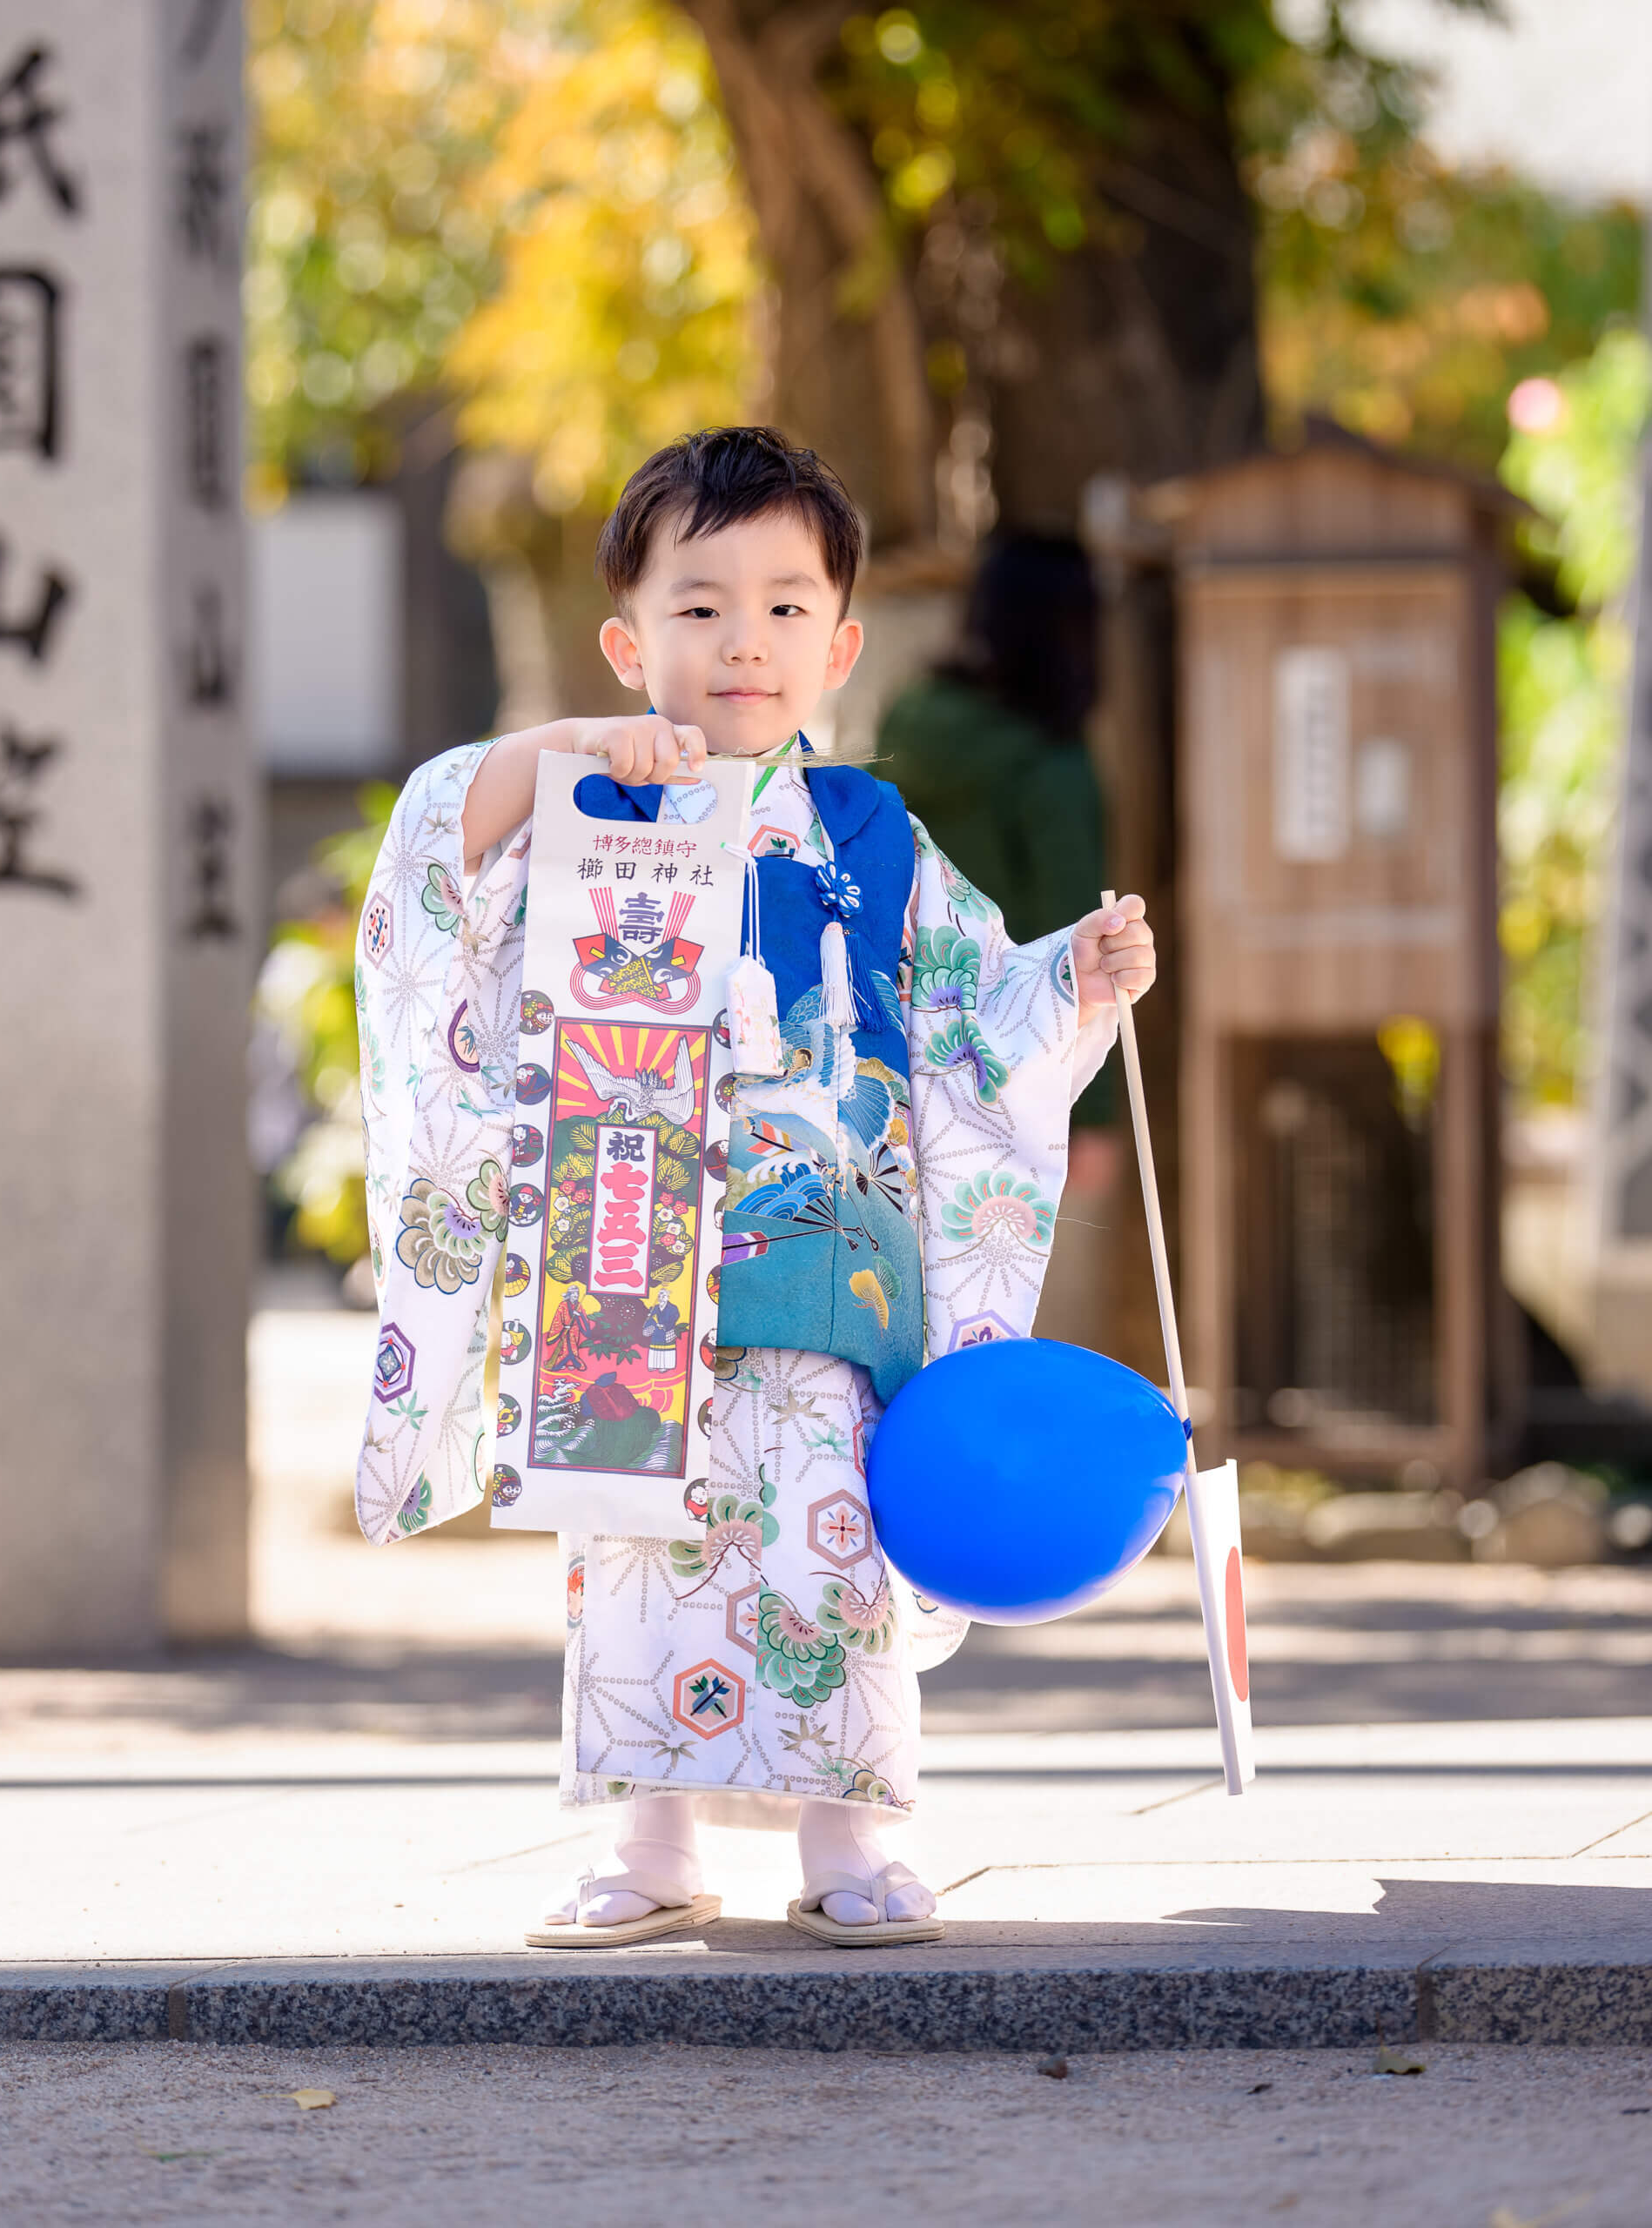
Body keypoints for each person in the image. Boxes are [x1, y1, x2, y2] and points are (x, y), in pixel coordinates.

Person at [351, 426, 1155, 1944]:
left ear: (839, 644)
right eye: (701, 605)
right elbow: (434, 863)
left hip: (829, 1250)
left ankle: (847, 1838)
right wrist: (571, 750)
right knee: (634, 1546)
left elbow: (969, 1008)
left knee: (832, 1541)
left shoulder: (871, 831)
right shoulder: (585, 802)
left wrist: (1075, 977)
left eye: (787, 606)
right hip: (625, 1242)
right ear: (628, 642)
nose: (745, 641)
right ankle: (647, 1841)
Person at [876, 534, 1117, 1175]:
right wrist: (1092, 1118)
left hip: (892, 1031)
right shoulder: (1051, 764)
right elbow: (1077, 923)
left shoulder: (908, 718)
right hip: (1009, 1052)